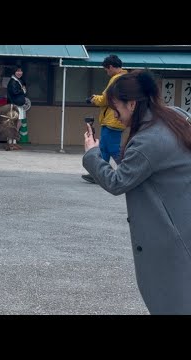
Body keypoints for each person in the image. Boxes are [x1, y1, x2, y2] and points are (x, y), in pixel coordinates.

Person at [82, 70, 191, 315]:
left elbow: (117, 181)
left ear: (132, 104)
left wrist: (91, 154)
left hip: (171, 239)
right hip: (183, 224)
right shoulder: (174, 117)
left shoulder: (149, 141)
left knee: (172, 301)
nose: (114, 115)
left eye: (115, 108)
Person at [82, 54, 127, 183]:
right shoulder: (124, 78)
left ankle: (128, 171)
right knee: (104, 148)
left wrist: (93, 99)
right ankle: (98, 174)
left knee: (112, 148)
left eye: (106, 69)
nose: (107, 72)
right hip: (116, 119)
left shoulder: (116, 79)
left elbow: (105, 99)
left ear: (111, 67)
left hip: (113, 119)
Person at [6, 65, 26, 150]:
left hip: (19, 105)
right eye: (17, 71)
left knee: (18, 122)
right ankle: (10, 142)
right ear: (14, 72)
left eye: (21, 71)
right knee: (13, 123)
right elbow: (14, 92)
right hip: (14, 105)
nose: (19, 72)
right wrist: (22, 90)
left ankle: (14, 141)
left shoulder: (19, 81)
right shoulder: (13, 81)